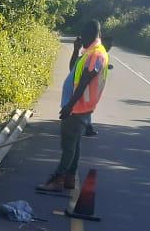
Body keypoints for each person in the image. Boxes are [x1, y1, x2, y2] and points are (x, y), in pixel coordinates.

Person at [37, 21, 109, 195]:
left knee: (68, 144)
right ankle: (69, 178)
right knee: (74, 144)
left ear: (91, 33)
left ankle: (58, 179)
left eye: (83, 35)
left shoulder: (96, 55)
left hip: (79, 107)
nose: (81, 38)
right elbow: (73, 71)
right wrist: (76, 49)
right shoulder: (89, 53)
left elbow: (84, 82)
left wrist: (70, 105)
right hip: (80, 106)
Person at [83, 36, 113, 137]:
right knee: (87, 106)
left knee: (88, 107)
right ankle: (87, 127)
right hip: (89, 85)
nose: (110, 47)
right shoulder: (98, 52)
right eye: (109, 44)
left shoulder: (101, 52)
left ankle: (87, 126)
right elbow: (92, 68)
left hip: (93, 87)